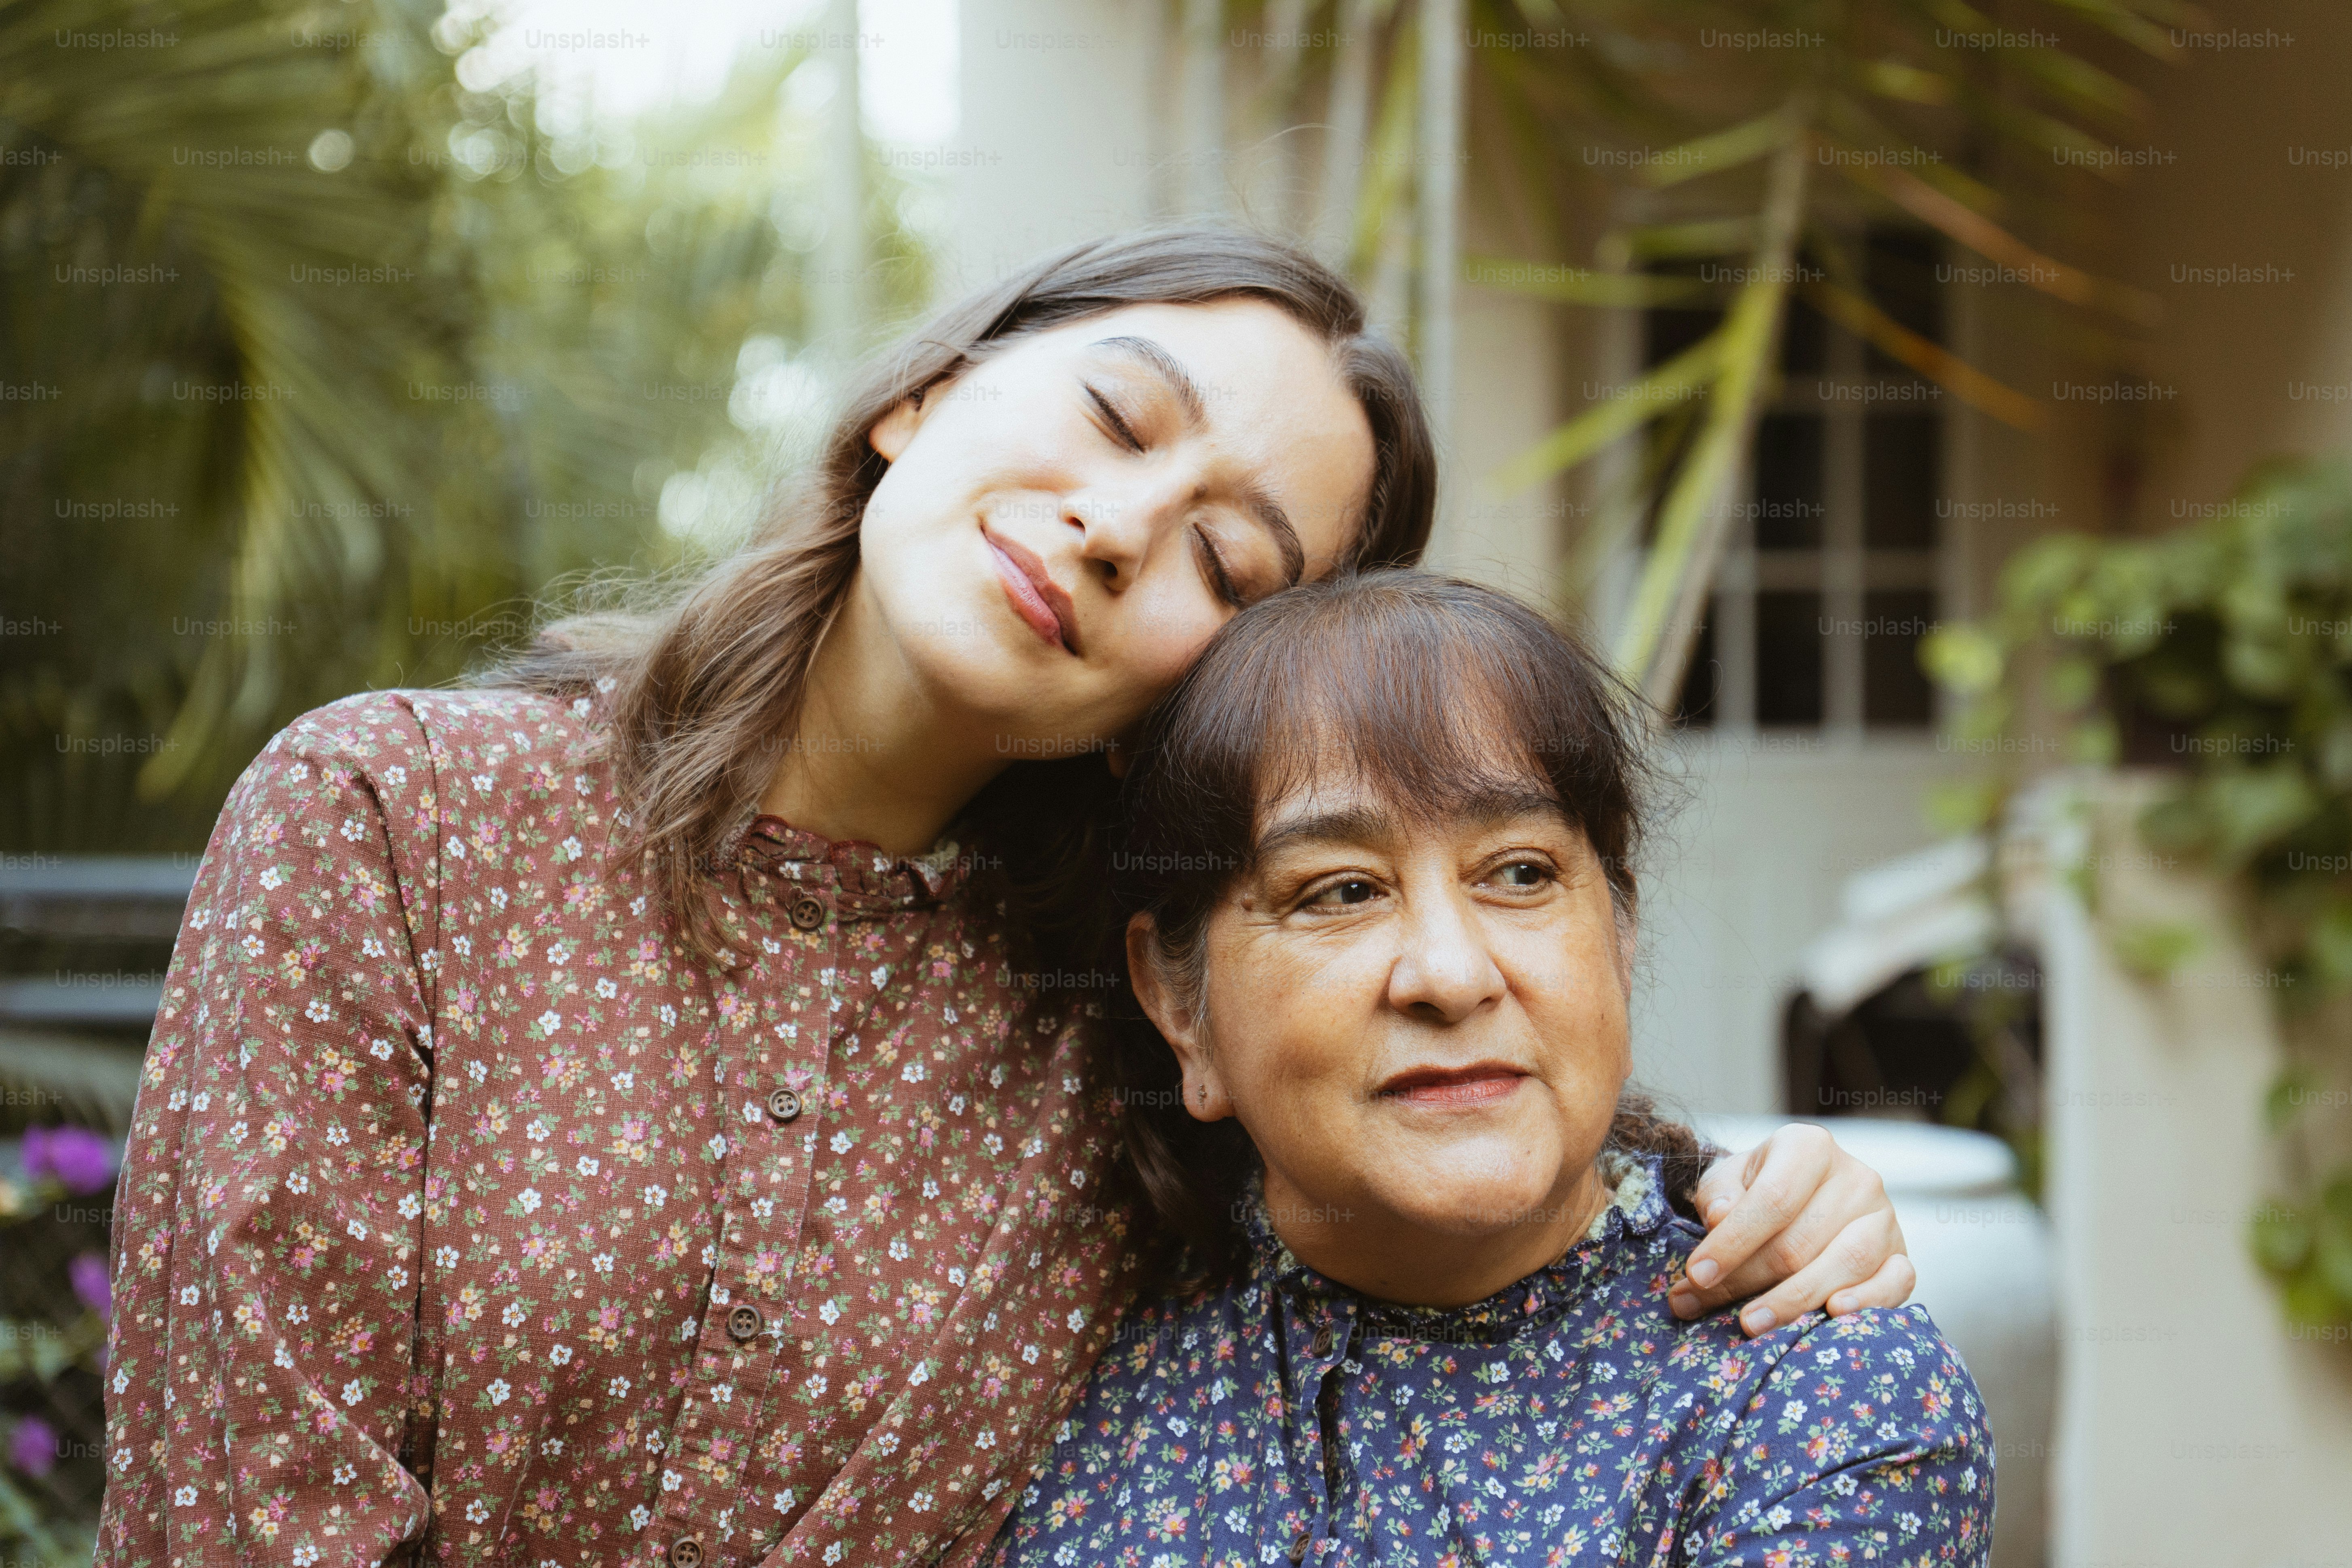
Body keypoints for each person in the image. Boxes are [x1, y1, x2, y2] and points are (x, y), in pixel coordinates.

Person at [99, 229, 1916, 1568]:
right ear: (922, 393)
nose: (1123, 528)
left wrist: (1754, 1192)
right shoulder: (394, 821)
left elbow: (1443, 1126)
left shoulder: (1121, 1036)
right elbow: (238, 1512)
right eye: (1119, 415)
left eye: (1226, 557)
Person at [990, 572, 1994, 1567]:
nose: (1452, 974)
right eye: (1341, 891)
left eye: (1521, 873)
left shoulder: (1812, 1398)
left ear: (1621, 936)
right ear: (1179, 1007)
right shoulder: (1046, 1360)